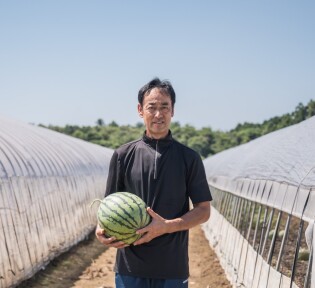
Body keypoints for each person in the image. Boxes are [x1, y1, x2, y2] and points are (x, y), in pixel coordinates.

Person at [96, 77, 212, 288]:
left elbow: (203, 210)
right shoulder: (123, 155)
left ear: (173, 111)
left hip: (172, 267)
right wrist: (100, 228)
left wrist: (166, 227)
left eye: (164, 107)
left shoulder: (189, 158)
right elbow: (109, 204)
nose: (158, 114)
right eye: (152, 107)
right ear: (140, 110)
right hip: (130, 267)